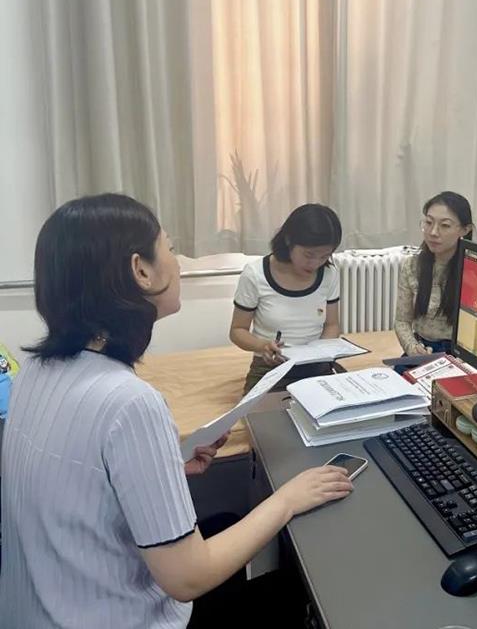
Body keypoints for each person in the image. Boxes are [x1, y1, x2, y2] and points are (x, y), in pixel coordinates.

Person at [0, 194, 353, 628]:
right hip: (118, 618)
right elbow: (188, 578)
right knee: (299, 590)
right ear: (141, 270)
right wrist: (288, 499)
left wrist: (167, 463)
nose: (178, 264)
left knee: (227, 521)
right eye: (168, 247)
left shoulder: (33, 371)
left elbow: (77, 482)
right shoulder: (129, 402)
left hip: (39, 609)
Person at [229, 204, 343, 393]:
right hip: (271, 367)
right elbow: (237, 331)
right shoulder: (256, 274)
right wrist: (262, 346)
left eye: (324, 256)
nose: (315, 263)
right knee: (267, 410)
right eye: (309, 255)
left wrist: (321, 351)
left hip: (316, 367)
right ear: (289, 240)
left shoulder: (329, 275)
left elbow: (332, 325)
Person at [394, 191, 474, 358]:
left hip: (460, 354)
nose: (433, 232)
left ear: (465, 230)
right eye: (429, 223)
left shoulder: (473, 272)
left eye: (445, 225)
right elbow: (402, 321)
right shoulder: (412, 266)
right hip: (422, 349)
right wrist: (412, 348)